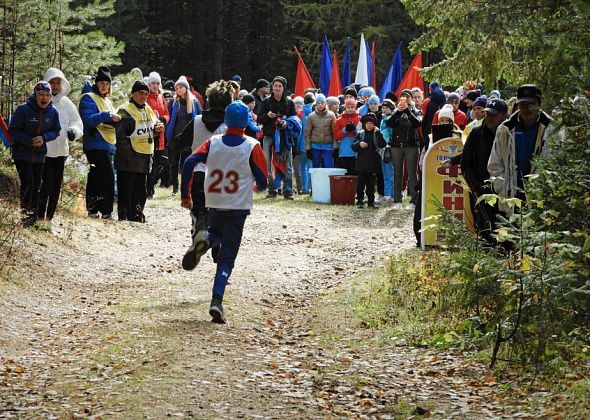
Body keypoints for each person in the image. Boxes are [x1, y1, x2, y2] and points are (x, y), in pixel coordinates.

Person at [180, 101, 268, 324]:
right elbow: (263, 180)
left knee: (216, 232)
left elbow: (190, 161)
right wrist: (258, 185)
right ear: (245, 123)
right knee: (227, 256)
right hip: (238, 206)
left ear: (226, 121)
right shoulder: (251, 145)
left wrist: (185, 194)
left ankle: (206, 242)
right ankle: (216, 300)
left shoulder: (213, 142)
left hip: (215, 201)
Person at [175, 80, 233, 257]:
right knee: (220, 216)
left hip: (197, 175)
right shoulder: (230, 126)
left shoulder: (197, 121)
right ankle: (217, 252)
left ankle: (200, 229)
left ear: (208, 100)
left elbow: (178, 142)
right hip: (221, 178)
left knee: (200, 211)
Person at [488, 84, 552, 215]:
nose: (526, 108)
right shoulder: (505, 129)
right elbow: (495, 164)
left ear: (539, 105)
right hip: (511, 197)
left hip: (540, 200)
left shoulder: (552, 129)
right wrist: (502, 189)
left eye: (530, 104)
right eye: (522, 104)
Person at [36, 68, 83, 232]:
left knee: (56, 186)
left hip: (61, 150)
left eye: (58, 82)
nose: (55, 86)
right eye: (52, 82)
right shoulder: (40, 101)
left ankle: (49, 220)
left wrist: (74, 132)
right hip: (43, 150)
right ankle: (38, 217)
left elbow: (77, 122)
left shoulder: (66, 103)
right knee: (45, 184)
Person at [8, 81, 61, 227]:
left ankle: (33, 219)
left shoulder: (53, 112)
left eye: (47, 95)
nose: (44, 98)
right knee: (28, 182)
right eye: (41, 95)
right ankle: (26, 216)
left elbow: (56, 131)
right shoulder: (23, 110)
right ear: (35, 95)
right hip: (22, 154)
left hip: (39, 155)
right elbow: (13, 131)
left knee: (37, 184)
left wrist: (44, 138)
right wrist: (29, 140)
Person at [112, 80, 164, 222]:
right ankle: (123, 216)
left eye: (146, 94)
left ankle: (137, 215)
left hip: (144, 157)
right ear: (133, 93)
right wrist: (129, 155)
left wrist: (156, 129)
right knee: (126, 190)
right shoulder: (125, 109)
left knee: (140, 191)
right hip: (128, 158)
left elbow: (150, 129)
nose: (143, 96)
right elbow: (120, 137)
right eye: (140, 93)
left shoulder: (147, 108)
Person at [461, 98, 508, 242]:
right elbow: (465, 163)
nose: (490, 118)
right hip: (480, 190)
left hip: (505, 190)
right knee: (485, 229)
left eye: (494, 114)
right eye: (488, 114)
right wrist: (476, 188)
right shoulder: (476, 133)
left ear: (504, 116)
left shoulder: (510, 133)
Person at [79, 66, 120, 219]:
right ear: (96, 83)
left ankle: (93, 209)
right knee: (107, 175)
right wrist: (107, 115)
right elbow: (88, 120)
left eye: (107, 83)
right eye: (101, 83)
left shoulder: (107, 100)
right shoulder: (88, 97)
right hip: (95, 142)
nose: (104, 86)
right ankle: (106, 210)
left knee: (97, 175)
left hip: (108, 143)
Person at [257, 76, 296, 199]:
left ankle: (288, 191)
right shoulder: (265, 102)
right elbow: (259, 119)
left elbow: (294, 119)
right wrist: (268, 116)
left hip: (285, 138)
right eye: (275, 86)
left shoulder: (290, 102)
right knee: (268, 164)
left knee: (288, 164)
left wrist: (287, 123)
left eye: (280, 86)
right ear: (272, 87)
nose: (277, 88)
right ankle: (272, 190)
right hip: (269, 137)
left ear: (283, 88)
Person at [386, 90, 422, 210]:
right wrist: (398, 112)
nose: (404, 99)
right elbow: (389, 123)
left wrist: (407, 110)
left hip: (411, 146)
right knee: (397, 173)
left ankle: (413, 200)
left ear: (410, 99)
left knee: (412, 173)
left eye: (407, 97)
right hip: (396, 146)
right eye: (402, 97)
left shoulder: (416, 111)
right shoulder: (396, 111)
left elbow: (417, 123)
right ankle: (397, 200)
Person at [166, 75, 202, 195]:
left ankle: (186, 186)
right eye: (176, 88)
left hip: (189, 137)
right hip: (175, 136)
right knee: (174, 163)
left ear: (186, 88)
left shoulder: (194, 102)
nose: (178, 89)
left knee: (187, 163)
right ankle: (175, 187)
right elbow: (170, 119)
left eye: (181, 87)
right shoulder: (172, 102)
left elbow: (200, 117)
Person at [351, 112, 385, 208]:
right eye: (367, 123)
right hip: (361, 164)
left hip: (373, 164)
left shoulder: (377, 134)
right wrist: (359, 144)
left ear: (374, 125)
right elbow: (353, 146)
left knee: (371, 185)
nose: (369, 126)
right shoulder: (360, 134)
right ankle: (360, 201)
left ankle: (371, 202)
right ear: (364, 124)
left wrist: (378, 133)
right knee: (360, 185)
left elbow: (382, 144)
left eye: (371, 123)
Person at [146, 71, 170, 198]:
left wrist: (164, 119)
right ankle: (148, 189)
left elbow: (166, 113)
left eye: (157, 83)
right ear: (149, 84)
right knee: (150, 163)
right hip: (149, 134)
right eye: (153, 83)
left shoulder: (161, 97)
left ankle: (151, 188)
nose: (155, 85)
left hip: (161, 135)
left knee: (158, 163)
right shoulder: (146, 97)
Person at [304, 93, 336, 168]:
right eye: (318, 103)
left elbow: (334, 131)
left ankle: (327, 180)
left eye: (322, 103)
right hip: (315, 145)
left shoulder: (331, 115)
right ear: (316, 104)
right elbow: (307, 133)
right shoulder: (311, 116)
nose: (320, 105)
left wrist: (335, 146)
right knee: (316, 167)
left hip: (328, 145)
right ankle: (316, 180)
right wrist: (308, 148)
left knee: (328, 166)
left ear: (325, 103)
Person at [334, 97, 360, 175]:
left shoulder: (360, 119)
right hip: (344, 152)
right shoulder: (339, 120)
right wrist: (345, 130)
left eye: (352, 107)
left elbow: (362, 134)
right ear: (345, 107)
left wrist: (355, 130)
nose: (350, 109)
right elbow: (336, 136)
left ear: (355, 108)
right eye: (348, 107)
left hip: (356, 152)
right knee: (345, 174)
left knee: (355, 174)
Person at [379, 99, 395, 203]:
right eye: (383, 108)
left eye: (386, 108)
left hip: (389, 149)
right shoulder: (383, 119)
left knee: (389, 173)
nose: (384, 110)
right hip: (382, 149)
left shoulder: (391, 119)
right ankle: (391, 194)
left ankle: (388, 195)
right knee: (385, 172)